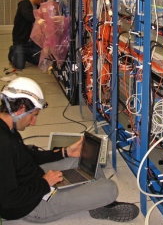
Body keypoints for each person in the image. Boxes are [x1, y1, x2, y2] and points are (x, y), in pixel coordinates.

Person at [0, 77, 139, 223]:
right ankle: (100, 200)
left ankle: (97, 201)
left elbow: (28, 156)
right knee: (110, 189)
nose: (33, 123)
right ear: (20, 110)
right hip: (33, 206)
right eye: (33, 116)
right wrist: (45, 183)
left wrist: (65, 152)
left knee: (81, 159)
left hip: (33, 179)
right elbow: (8, 201)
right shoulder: (3, 144)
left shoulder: (8, 128)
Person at [8, 0, 47, 70]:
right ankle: (13, 52)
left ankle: (22, 54)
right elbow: (30, 17)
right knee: (19, 66)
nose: (42, 1)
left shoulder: (38, 6)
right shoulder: (24, 5)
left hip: (32, 42)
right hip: (21, 40)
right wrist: (42, 20)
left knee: (39, 61)